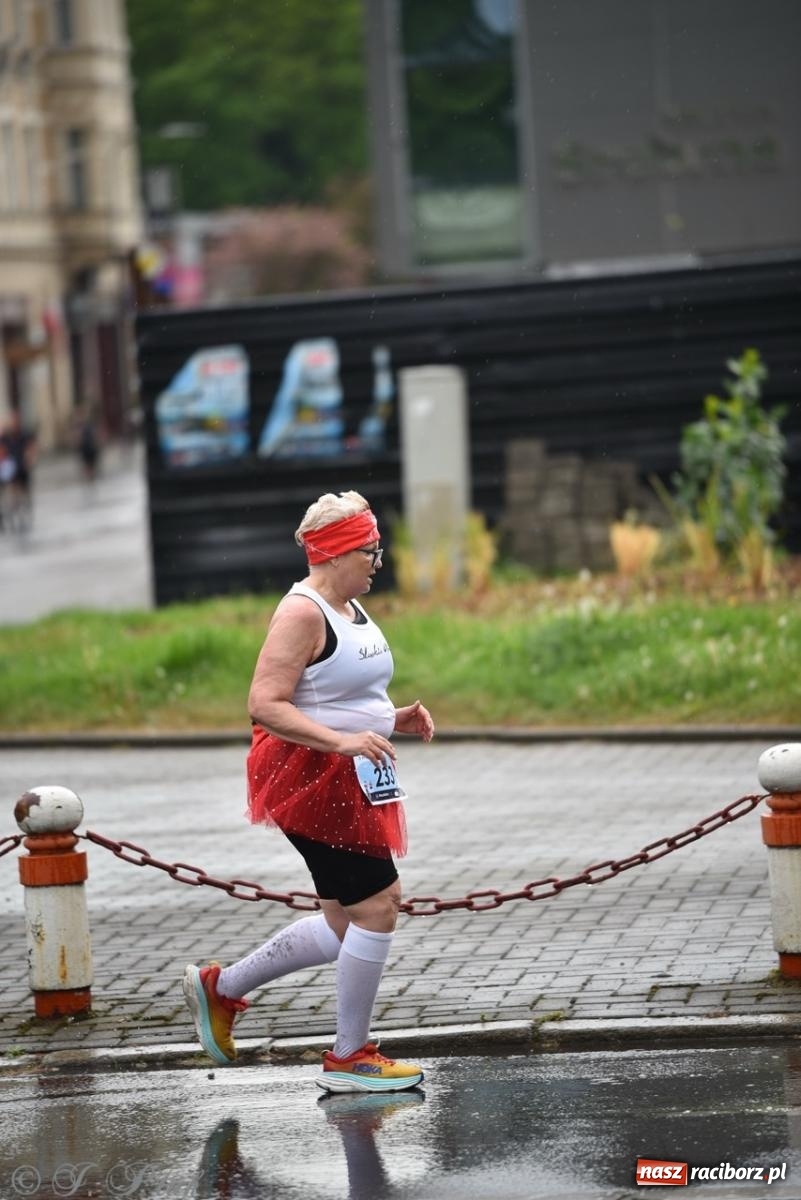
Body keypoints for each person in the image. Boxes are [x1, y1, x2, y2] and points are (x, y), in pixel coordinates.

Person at [183, 490, 435, 1094]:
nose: (379, 560)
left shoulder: (350, 609)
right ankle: (349, 1057)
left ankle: (222, 988)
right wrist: (345, 743)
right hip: (312, 779)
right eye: (371, 549)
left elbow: (337, 690)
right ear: (341, 549)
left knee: (346, 923)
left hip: (353, 778)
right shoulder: (302, 612)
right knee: (378, 904)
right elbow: (264, 704)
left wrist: (390, 718)